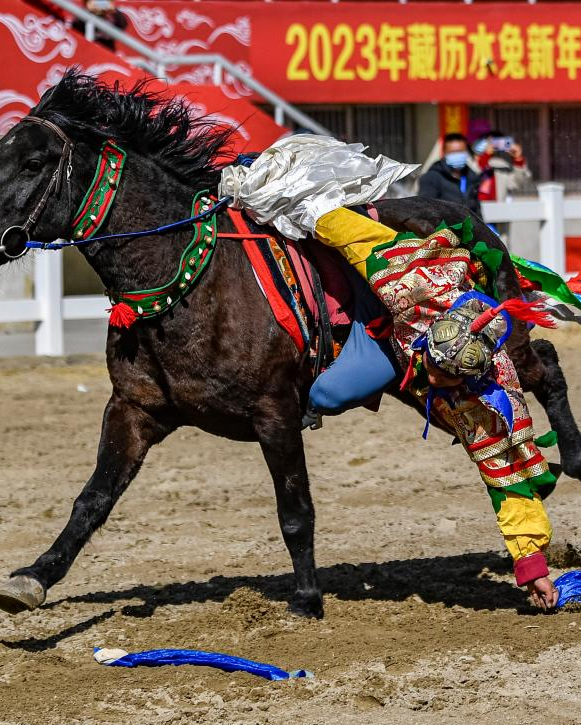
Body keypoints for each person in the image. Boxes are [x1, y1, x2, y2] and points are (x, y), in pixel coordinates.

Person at [222, 136, 562, 608]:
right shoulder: (398, 272)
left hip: (403, 339)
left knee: (327, 397)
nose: (438, 386)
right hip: (378, 319)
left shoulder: (491, 399)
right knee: (326, 393)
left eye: (444, 380)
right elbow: (331, 220)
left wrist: (531, 566)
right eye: (437, 374)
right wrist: (257, 180)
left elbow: (508, 476)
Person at [417, 132, 482, 216]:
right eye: (453, 152)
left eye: (461, 151)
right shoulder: (431, 177)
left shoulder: (473, 177)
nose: (457, 155)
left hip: (470, 227)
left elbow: (477, 209)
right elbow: (426, 209)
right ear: (444, 153)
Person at [474, 131, 532, 203]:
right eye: (488, 142)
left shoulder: (501, 165)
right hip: (472, 210)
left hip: (496, 209)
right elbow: (477, 171)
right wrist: (486, 155)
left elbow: (517, 184)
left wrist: (518, 159)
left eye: (496, 143)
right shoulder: (469, 161)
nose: (491, 145)